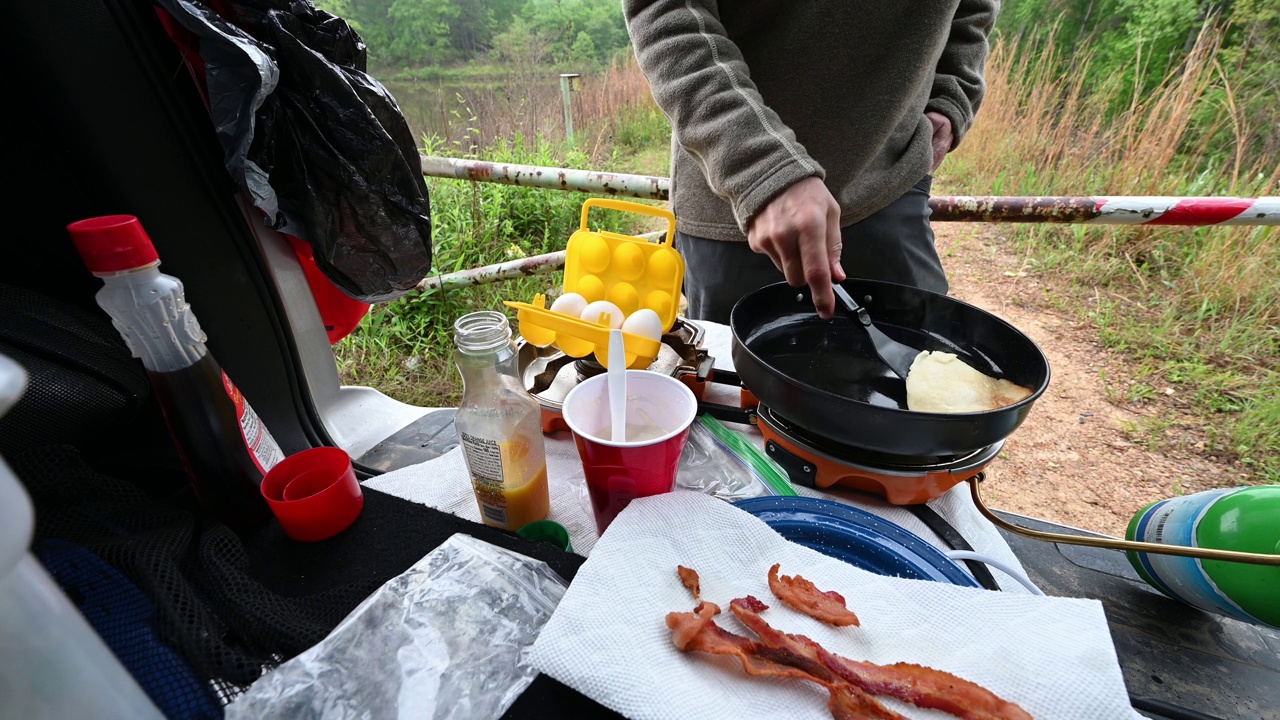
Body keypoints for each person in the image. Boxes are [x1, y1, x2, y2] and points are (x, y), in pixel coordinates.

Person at [622, 1, 999, 323]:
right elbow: (666, 11)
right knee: (739, 399)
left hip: (893, 185)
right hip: (739, 211)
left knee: (915, 386)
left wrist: (953, 95)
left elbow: (975, 9)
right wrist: (760, 168)